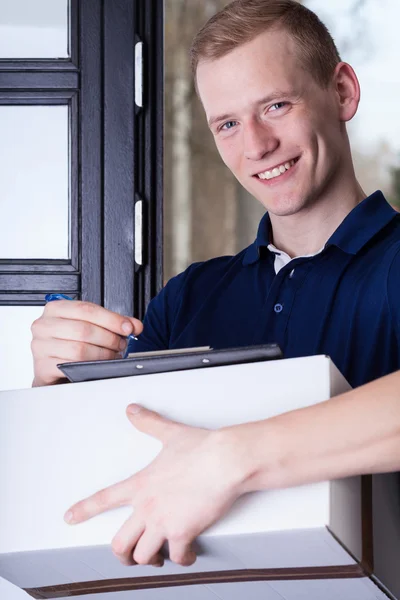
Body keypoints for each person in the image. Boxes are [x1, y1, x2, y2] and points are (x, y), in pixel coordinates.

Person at [31, 0, 400, 570]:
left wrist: (231, 458)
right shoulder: (187, 298)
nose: (255, 147)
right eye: (227, 123)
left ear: (344, 92)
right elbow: (107, 477)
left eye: (275, 106)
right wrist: (53, 389)